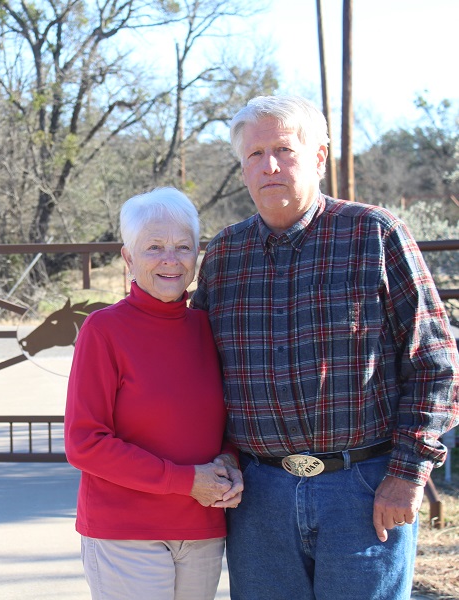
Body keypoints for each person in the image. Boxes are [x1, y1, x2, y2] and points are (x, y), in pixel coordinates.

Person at [190, 94, 459, 600]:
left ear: (318, 156)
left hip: (364, 487)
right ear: (242, 168)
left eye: (284, 150)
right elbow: (200, 374)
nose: (269, 166)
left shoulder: (374, 235)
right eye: (254, 154)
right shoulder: (224, 255)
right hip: (260, 496)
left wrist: (407, 475)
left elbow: (435, 364)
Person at [65, 187, 243, 600]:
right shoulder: (103, 330)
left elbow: (231, 423)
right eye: (154, 247)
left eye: (183, 247)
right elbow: (84, 443)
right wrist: (185, 481)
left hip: (201, 528)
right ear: (128, 258)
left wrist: (229, 461)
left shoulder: (208, 328)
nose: (170, 259)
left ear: (197, 256)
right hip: (126, 532)